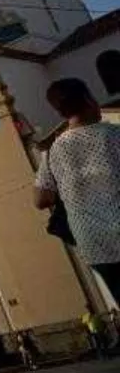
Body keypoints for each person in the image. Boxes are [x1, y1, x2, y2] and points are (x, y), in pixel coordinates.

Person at [35, 78, 120, 302]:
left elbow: (41, 199)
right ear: (88, 99)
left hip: (93, 241)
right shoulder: (114, 135)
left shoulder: (54, 150)